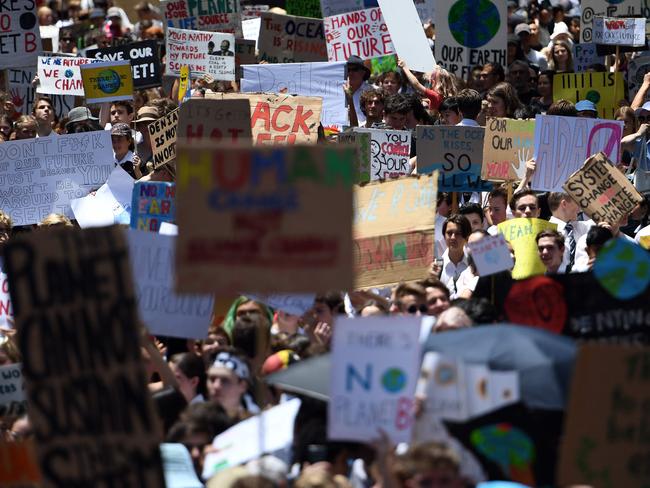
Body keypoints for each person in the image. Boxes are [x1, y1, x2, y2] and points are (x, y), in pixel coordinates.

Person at [547, 192, 592, 272]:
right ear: (564, 204)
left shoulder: (582, 227)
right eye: (576, 202)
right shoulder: (545, 233)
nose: (579, 208)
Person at [206, 349, 253, 420]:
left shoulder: (254, 425)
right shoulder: (196, 422)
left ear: (243, 386)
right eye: (212, 379)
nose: (216, 386)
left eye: (225, 381)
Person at [439, 214, 471, 299]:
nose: (453, 237)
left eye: (458, 234)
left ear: (467, 237)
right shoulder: (436, 267)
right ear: (444, 236)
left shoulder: (475, 264)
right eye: (449, 233)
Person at [345, 55, 372, 126]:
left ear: (363, 72)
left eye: (355, 69)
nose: (350, 73)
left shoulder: (372, 92)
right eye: (348, 70)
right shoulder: (336, 91)